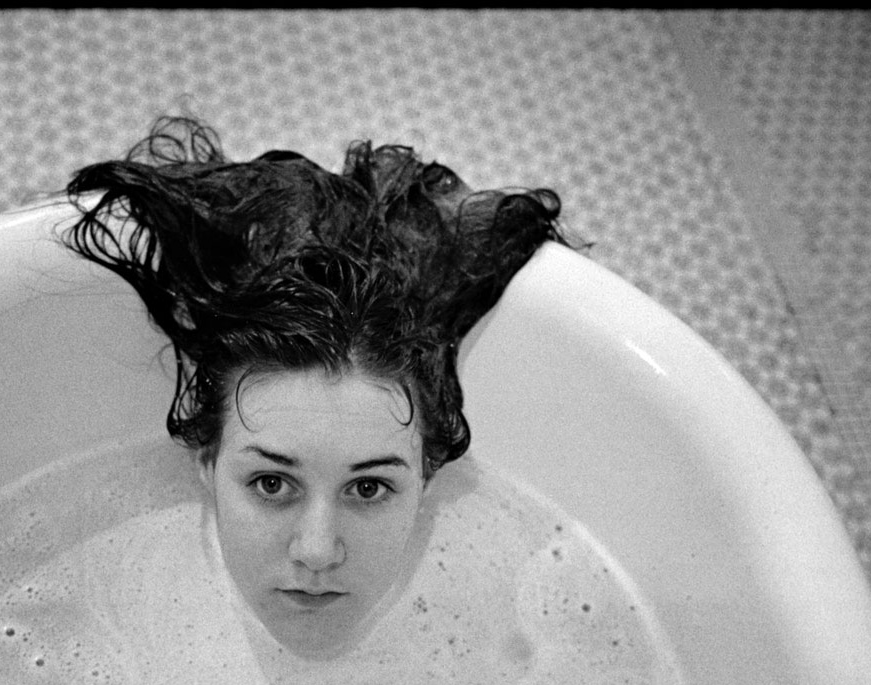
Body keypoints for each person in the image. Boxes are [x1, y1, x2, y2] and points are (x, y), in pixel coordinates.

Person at [64, 117, 568, 657]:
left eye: (369, 488)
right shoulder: (95, 595)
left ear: (427, 477)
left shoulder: (523, 614)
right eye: (271, 483)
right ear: (207, 463)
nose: (318, 552)